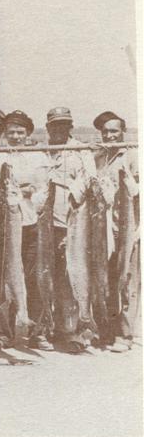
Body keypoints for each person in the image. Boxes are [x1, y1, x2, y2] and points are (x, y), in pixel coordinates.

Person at [0, 111, 51, 350]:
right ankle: (5, 332)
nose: (15, 136)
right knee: (6, 278)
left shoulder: (38, 157)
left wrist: (29, 194)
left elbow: (44, 191)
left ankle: (37, 332)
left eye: (20, 132)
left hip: (31, 223)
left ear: (28, 134)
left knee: (34, 278)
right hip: (5, 225)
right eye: (11, 132)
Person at [43, 107, 97, 353]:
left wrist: (70, 185)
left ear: (70, 127)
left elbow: (89, 179)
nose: (59, 130)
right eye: (55, 125)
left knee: (71, 277)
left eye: (64, 125)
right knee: (49, 277)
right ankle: (53, 325)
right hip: (47, 224)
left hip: (73, 224)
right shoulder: (41, 151)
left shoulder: (81, 151)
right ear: (48, 128)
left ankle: (75, 330)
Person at [92, 111, 139, 352]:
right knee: (104, 279)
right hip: (104, 229)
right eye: (105, 131)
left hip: (128, 227)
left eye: (114, 131)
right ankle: (106, 330)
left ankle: (125, 334)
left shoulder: (132, 155)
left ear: (123, 131)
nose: (110, 135)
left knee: (126, 279)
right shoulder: (99, 157)